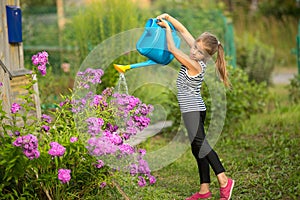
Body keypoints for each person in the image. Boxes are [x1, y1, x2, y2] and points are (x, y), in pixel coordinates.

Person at [156, 13, 234, 200]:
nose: (194, 52)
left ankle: (224, 180)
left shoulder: (195, 64)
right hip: (194, 108)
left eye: (199, 52)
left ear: (205, 56)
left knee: (201, 145)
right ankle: (204, 190)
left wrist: (167, 29)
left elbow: (173, 49)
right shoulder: (198, 53)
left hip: (192, 109)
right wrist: (169, 17)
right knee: (197, 147)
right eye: (194, 47)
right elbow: (182, 30)